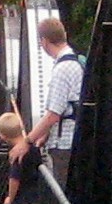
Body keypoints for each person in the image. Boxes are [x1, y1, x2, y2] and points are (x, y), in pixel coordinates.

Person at [9, 17, 84, 188]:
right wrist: (45, 135)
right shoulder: (75, 61)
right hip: (73, 139)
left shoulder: (63, 68)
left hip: (65, 144)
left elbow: (53, 115)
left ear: (43, 41)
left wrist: (26, 142)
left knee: (62, 194)